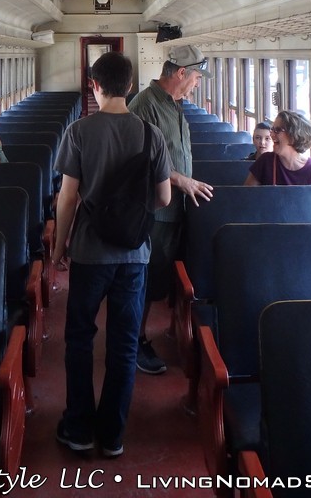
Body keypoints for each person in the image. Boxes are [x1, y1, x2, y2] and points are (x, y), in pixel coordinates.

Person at [52, 51, 171, 458]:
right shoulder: (151, 134)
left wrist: (58, 249)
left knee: (80, 339)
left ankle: (79, 428)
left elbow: (68, 197)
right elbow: (163, 197)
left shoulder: (79, 132)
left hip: (89, 253)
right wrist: (131, 213)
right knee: (123, 344)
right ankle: (113, 434)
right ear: (131, 86)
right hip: (134, 255)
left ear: (95, 86)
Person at [127, 44, 214, 374]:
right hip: (155, 211)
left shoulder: (175, 105)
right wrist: (182, 180)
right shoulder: (144, 106)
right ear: (181, 73)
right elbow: (141, 160)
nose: (197, 83)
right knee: (147, 280)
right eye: (196, 77)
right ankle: (134, 342)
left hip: (177, 208)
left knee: (161, 277)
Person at [244, 110, 311, 186]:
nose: (272, 135)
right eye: (272, 130)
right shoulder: (265, 161)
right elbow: (247, 196)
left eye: (277, 130)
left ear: (294, 136)